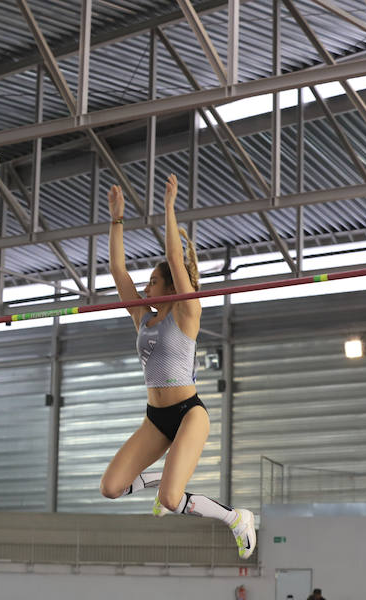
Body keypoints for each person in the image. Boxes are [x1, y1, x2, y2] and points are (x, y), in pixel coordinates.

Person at [99, 174, 256, 559]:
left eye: (152, 283)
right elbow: (118, 271)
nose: (146, 288)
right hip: (156, 418)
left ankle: (236, 518)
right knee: (111, 487)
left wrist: (169, 209)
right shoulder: (143, 318)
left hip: (189, 413)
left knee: (171, 499)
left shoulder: (188, 312)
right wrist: (115, 220)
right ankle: (159, 476)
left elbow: (174, 257)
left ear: (170, 287)